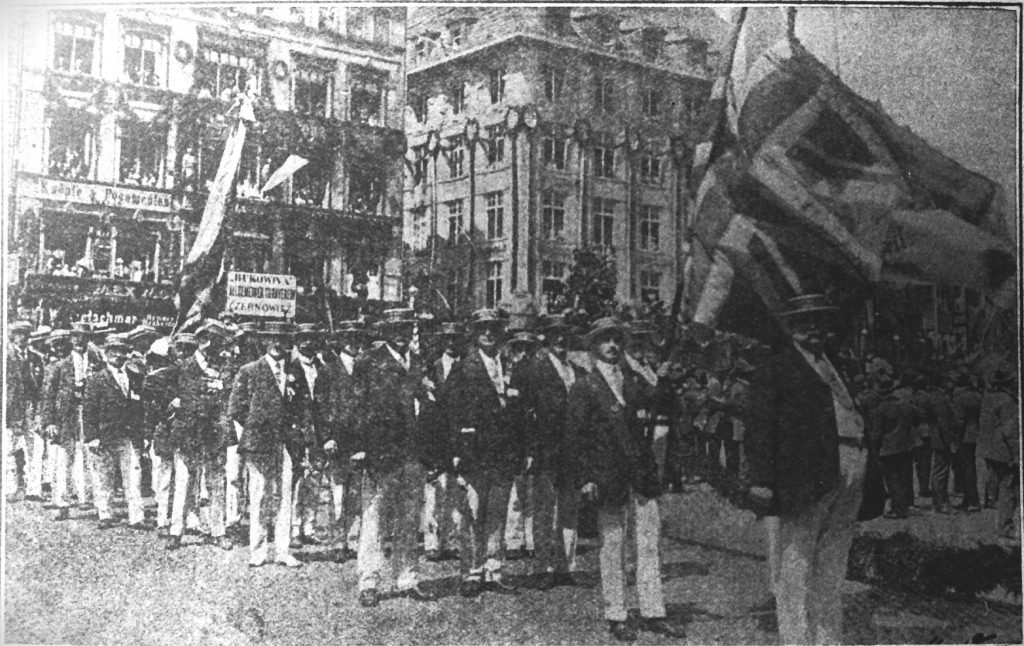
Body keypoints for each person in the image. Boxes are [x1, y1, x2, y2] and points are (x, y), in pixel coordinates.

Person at [744, 294, 868, 645]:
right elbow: (760, 426)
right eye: (804, 321)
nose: (813, 327)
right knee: (796, 563)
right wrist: (762, 480)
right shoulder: (777, 368)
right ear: (790, 327)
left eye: (819, 320)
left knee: (833, 563)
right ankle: (796, 639)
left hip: (850, 463)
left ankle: (828, 640)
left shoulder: (836, 366)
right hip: (806, 474)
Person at [566, 316, 685, 642]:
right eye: (605, 340)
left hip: (642, 475)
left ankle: (653, 611)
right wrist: (586, 477)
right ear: (593, 347)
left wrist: (665, 380)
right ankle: (616, 614)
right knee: (612, 545)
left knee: (648, 544)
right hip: (608, 477)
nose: (612, 346)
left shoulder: (633, 383)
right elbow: (576, 439)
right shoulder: (584, 388)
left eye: (617, 340)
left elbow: (661, 402)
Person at [349, 308, 435, 606]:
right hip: (380, 452)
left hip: (412, 452)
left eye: (406, 326)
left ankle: (407, 578)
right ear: (385, 330)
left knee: (409, 518)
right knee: (374, 517)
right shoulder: (369, 360)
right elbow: (357, 406)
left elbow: (424, 405)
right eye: (395, 327)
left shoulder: (417, 361)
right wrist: (359, 447)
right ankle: (369, 581)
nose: (400, 332)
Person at [444, 308, 520, 597]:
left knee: (497, 512)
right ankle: (471, 571)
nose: (489, 333)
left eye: (494, 328)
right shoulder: (465, 367)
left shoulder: (508, 364)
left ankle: (493, 568)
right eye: (483, 328)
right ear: (475, 333)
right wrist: (457, 449)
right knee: (472, 513)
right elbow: (450, 411)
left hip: (503, 451)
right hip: (475, 452)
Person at [227, 321, 303, 568]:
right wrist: (255, 427)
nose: (277, 343)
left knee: (283, 495)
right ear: (265, 342)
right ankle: (257, 551)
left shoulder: (294, 371)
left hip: (285, 443)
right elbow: (235, 408)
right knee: (259, 495)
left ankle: (283, 550)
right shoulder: (250, 370)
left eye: (282, 338)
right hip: (259, 442)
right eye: (272, 338)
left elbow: (302, 407)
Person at [519, 313, 583, 589]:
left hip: (572, 450)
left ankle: (566, 566)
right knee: (545, 508)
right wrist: (531, 448)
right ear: (545, 337)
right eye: (555, 333)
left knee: (570, 508)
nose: (560, 339)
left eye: (565, 334)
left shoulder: (577, 371)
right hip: (546, 449)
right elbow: (526, 412)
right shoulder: (536, 368)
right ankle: (543, 566)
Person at [166, 321, 235, 551]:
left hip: (213, 434)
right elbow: (178, 398)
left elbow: (225, 399)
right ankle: (176, 531)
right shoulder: (183, 367)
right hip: (188, 433)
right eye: (208, 340)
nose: (212, 346)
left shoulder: (224, 367)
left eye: (216, 342)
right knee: (184, 484)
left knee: (216, 483)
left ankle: (218, 531)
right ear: (201, 341)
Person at [82, 333, 146, 530]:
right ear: (107, 353)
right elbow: (89, 411)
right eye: (114, 351)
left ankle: (136, 517)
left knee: (133, 475)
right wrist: (92, 437)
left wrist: (142, 434)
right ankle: (105, 514)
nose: (118, 355)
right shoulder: (97, 379)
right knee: (104, 476)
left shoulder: (135, 377)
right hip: (104, 435)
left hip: (127, 434)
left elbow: (139, 408)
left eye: (123, 351)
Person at [287, 323, 332, 548]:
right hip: (297, 432)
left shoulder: (323, 369)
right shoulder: (290, 369)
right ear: (297, 342)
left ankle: (309, 526)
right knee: (298, 481)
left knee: (315, 478)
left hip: (319, 432)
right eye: (303, 339)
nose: (307, 344)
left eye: (311, 339)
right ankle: (294, 527)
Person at [39, 330, 78, 520]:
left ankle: (96, 503)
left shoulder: (87, 361)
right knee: (62, 462)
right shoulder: (53, 367)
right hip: (64, 419)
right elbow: (47, 397)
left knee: (89, 462)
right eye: (57, 345)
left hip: (87, 417)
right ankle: (63, 503)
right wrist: (49, 422)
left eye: (64, 343)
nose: (60, 347)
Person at [978, 368, 1019, 542]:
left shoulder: (989, 398)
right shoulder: (1008, 401)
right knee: (1008, 488)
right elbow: (1010, 431)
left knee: (999, 483)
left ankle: (999, 518)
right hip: (1004, 451)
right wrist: (1016, 454)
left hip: (990, 449)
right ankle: (1006, 526)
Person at [868, 376, 917, 519]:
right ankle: (903, 505)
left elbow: (876, 433)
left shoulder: (881, 409)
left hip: (888, 448)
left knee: (892, 479)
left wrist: (873, 449)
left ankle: (899, 510)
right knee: (903, 478)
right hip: (905, 446)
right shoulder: (906, 405)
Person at [950, 370, 982, 512]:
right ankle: (970, 499)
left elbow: (958, 421)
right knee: (971, 468)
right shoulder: (977, 395)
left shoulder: (959, 397)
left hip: (963, 436)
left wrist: (954, 439)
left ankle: (972, 500)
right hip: (975, 434)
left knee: (966, 468)